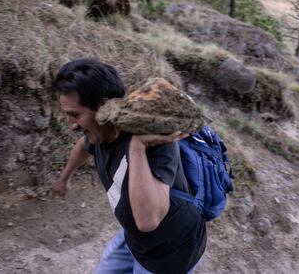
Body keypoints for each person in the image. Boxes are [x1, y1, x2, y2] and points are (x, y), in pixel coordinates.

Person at [50, 58, 206, 273]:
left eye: (75, 115)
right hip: (133, 241)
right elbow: (82, 147)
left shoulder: (156, 143)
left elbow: (147, 221)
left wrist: (136, 148)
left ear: (103, 108)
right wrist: (64, 179)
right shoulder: (98, 135)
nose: (71, 125)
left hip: (171, 254)